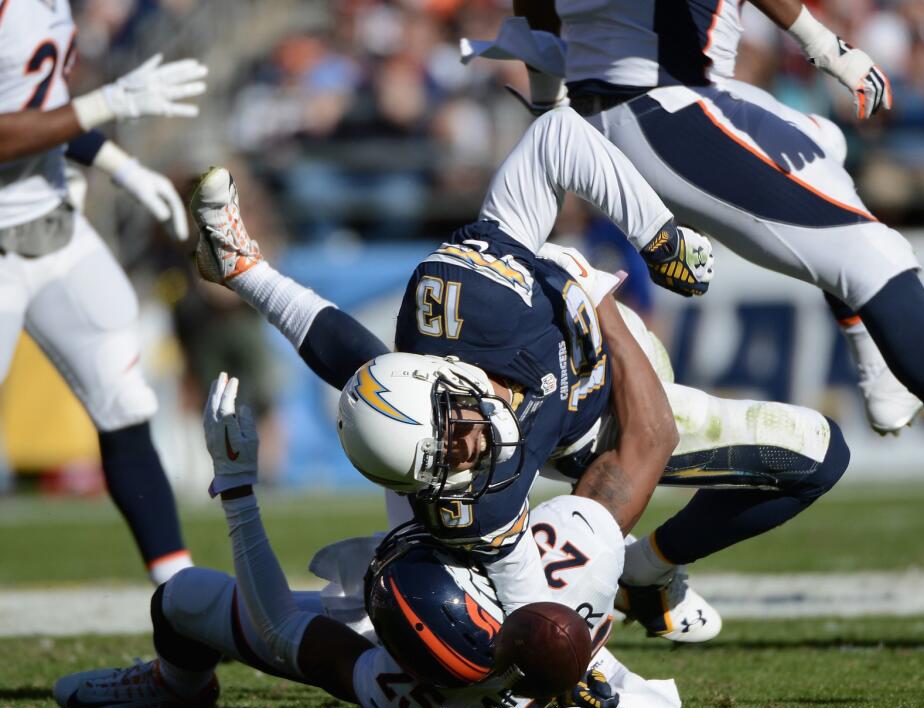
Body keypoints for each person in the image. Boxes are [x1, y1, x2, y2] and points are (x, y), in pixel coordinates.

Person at [491, 0, 924, 555]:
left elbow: (538, 22)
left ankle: (881, 371)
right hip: (662, 106)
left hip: (654, 99)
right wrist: (823, 42)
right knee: (872, 256)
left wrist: (555, 113)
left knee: (822, 141)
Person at [190, 106, 849, 643]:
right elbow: (649, 440)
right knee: (419, 615)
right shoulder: (476, 498)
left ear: (440, 366)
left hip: (593, 365)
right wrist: (600, 304)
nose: (470, 447)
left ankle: (241, 267)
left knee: (375, 383)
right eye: (444, 460)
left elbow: (557, 135)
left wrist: (658, 236)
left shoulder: (472, 311)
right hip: (607, 419)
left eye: (455, 427)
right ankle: (644, 571)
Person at [54, 374, 680, 708]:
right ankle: (602, 665)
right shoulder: (577, 567)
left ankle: (176, 685)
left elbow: (280, 631)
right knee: (424, 443)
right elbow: (649, 441)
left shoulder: (403, 690)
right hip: (529, 632)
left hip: (453, 635)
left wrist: (238, 486)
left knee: (180, 600)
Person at [0, 2, 207, 583]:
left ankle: (180, 597)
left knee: (127, 402)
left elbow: (43, 111)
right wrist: (108, 103)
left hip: (57, 228)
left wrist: (119, 163)